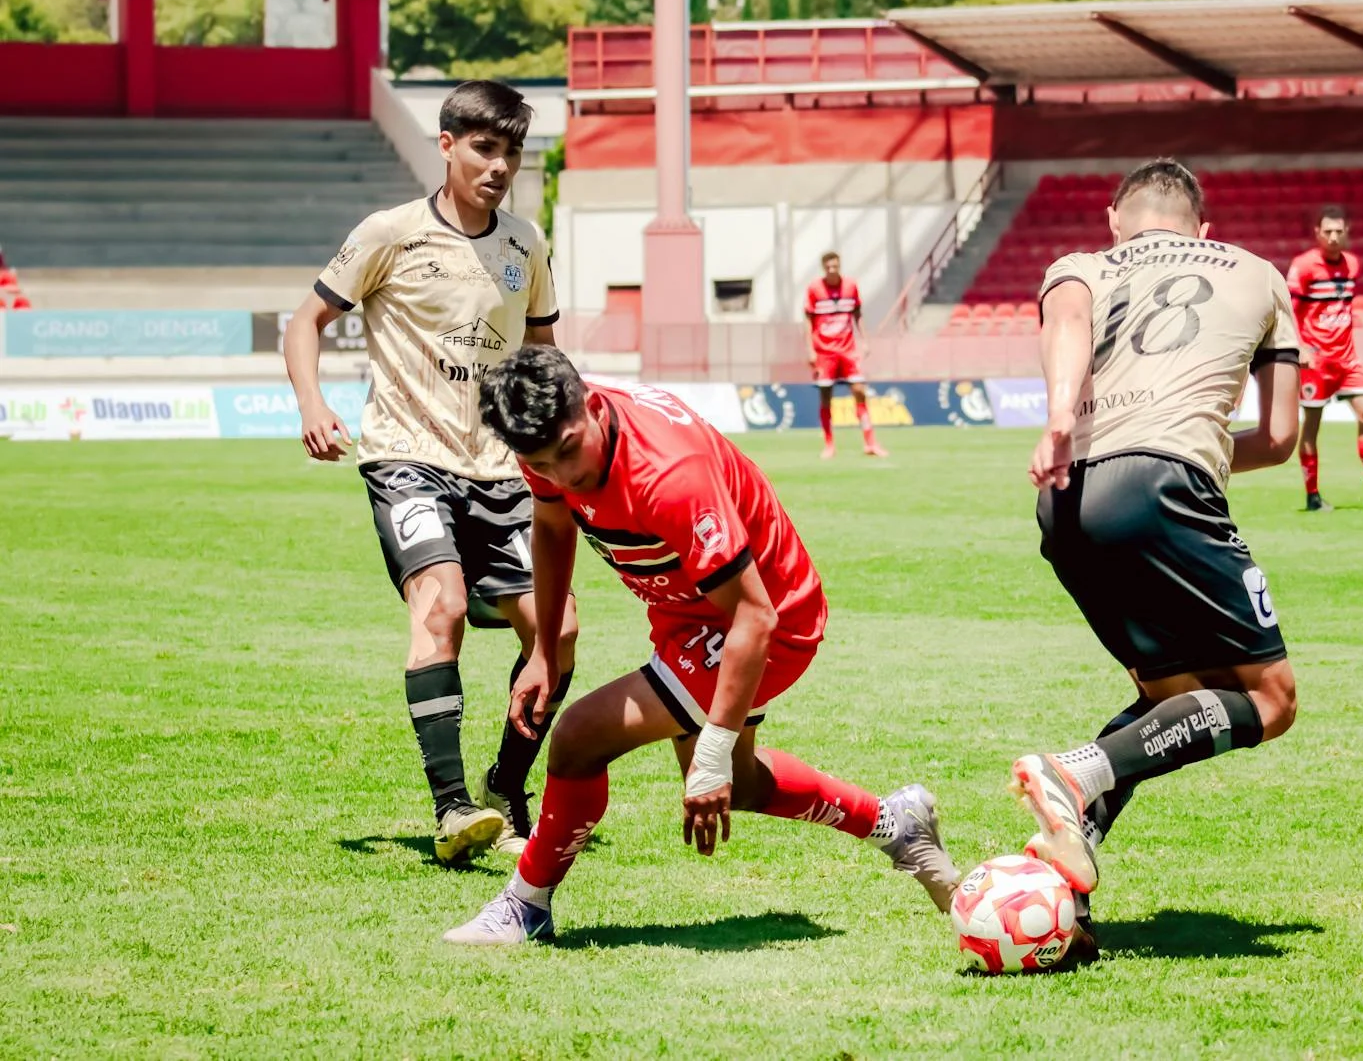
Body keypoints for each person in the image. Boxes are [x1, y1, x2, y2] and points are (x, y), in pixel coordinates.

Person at [442, 349, 959, 945]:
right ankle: (897, 824)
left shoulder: (669, 475)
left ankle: (524, 906)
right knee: (742, 783)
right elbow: (555, 526)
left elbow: (754, 617)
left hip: (766, 616)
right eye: (540, 464)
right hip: (691, 608)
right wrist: (544, 650)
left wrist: (711, 751)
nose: (562, 476)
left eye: (568, 451)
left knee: (579, 739)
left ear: (593, 406)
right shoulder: (546, 430)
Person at [1012, 158, 1303, 965]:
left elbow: (1068, 321)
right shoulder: (1258, 272)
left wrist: (1061, 419)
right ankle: (1076, 775)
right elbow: (1281, 438)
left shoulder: (1081, 264)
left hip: (1068, 498)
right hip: (1164, 484)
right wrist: (1191, 450)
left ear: (1116, 219)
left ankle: (1065, 876)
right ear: (1204, 228)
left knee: (1172, 702)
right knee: (1269, 700)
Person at [284, 80, 578, 867]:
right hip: (407, 459)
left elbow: (544, 357)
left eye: (511, 151)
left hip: (504, 472)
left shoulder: (526, 245)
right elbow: (306, 322)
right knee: (440, 603)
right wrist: (312, 403)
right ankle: (451, 809)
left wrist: (564, 445)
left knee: (560, 631)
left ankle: (504, 787)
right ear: (446, 145)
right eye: (484, 147)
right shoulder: (391, 233)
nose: (499, 165)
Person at [1286, 206, 1363, 511]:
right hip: (1316, 360)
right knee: (1312, 425)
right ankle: (1313, 496)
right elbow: (1289, 312)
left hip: (1348, 359)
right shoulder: (1304, 266)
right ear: (1317, 233)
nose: (1333, 237)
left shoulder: (1352, 264)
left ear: (1347, 231)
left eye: (1339, 231)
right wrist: (1301, 347)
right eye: (1328, 232)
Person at [804, 251, 887, 459]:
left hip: (848, 350)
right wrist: (810, 350)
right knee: (826, 396)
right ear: (824, 268)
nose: (832, 270)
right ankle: (829, 445)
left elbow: (857, 314)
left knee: (859, 391)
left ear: (840, 266)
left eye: (835, 266)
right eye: (828, 267)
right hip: (824, 352)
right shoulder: (814, 289)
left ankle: (870, 442)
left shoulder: (851, 286)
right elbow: (808, 320)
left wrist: (864, 340)